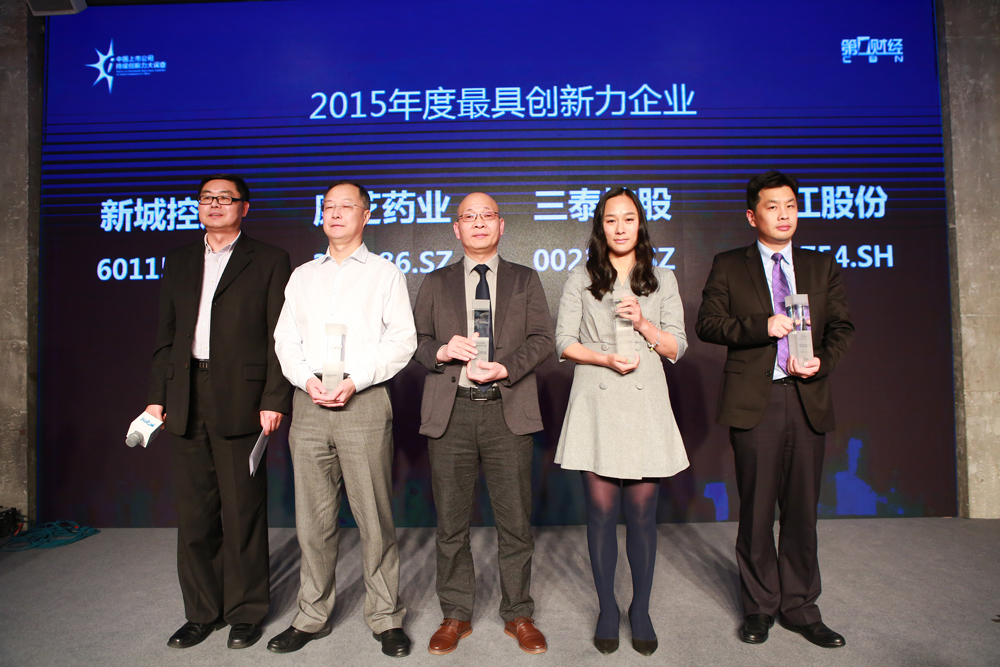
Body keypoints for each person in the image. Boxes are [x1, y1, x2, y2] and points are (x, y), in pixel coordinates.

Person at [695, 170, 854, 648]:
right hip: (755, 403)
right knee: (758, 510)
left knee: (802, 512)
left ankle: (801, 607)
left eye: (790, 206)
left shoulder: (820, 265)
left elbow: (842, 327)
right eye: (772, 206)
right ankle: (759, 607)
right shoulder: (729, 264)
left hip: (807, 398)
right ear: (752, 216)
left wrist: (823, 361)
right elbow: (708, 324)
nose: (784, 215)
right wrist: (761, 326)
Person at [145, 174, 292, 650]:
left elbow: (279, 337)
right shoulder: (180, 260)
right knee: (195, 515)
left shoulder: (269, 259)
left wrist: (274, 398)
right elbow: (166, 335)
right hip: (185, 393)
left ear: (244, 208)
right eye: (207, 198)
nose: (214, 204)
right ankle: (201, 612)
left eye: (225, 198)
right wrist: (158, 396)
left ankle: (246, 612)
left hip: (241, 396)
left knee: (242, 511)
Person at [270, 181, 416, 657]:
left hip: (363, 401)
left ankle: (386, 616)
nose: (334, 214)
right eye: (328, 207)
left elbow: (403, 341)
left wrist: (355, 380)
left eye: (345, 206)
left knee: (374, 517)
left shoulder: (385, 274)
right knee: (312, 520)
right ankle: (311, 615)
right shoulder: (302, 276)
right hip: (309, 403)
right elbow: (285, 339)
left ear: (366, 215)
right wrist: (304, 380)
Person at [413, 192, 554, 655]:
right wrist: (441, 350)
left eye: (486, 215)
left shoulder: (524, 279)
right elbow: (415, 340)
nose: (478, 223)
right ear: (456, 228)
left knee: (515, 522)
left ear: (501, 224)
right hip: (451, 412)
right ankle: (455, 614)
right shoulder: (435, 281)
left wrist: (507, 367)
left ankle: (519, 613)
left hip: (505, 410)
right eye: (468, 217)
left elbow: (542, 339)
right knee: (451, 523)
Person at [554, 187, 688, 656]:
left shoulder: (663, 278)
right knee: (601, 513)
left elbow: (677, 347)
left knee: (643, 515)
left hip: (646, 400)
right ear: (600, 226)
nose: (620, 227)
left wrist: (646, 325)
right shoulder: (581, 277)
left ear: (640, 224)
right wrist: (604, 358)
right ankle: (607, 608)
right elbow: (563, 342)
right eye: (611, 219)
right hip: (597, 396)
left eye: (628, 218)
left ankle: (641, 609)